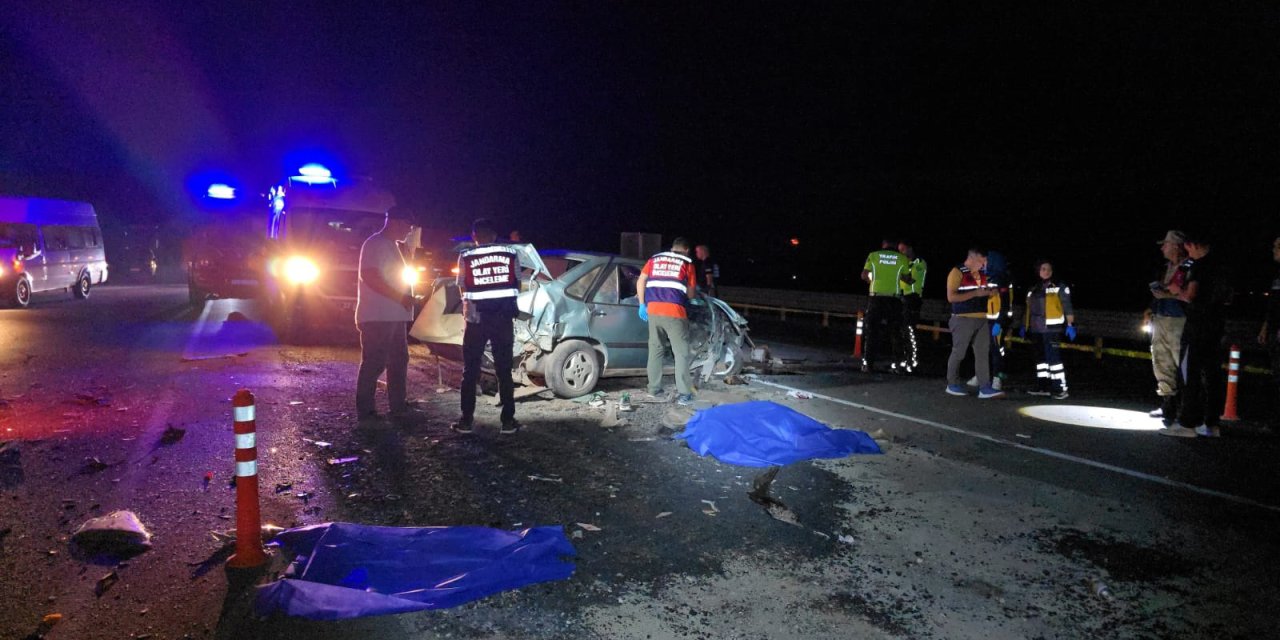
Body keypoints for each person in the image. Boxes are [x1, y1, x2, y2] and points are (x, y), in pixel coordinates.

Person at [453, 219, 522, 434]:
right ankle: (508, 422)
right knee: (504, 371)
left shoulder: (466, 256)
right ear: (493, 234)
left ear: (475, 235)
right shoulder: (511, 254)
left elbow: (462, 287)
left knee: (470, 370)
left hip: (476, 320)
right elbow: (517, 283)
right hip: (502, 319)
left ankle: (466, 421)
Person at [1161, 230, 1231, 438]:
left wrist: (1175, 291)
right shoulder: (1221, 266)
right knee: (1212, 375)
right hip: (1216, 326)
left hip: (1197, 326)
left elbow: (1191, 296)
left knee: (1188, 373)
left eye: (1188, 247)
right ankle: (1212, 424)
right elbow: (1228, 297)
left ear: (1194, 245)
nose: (1187, 252)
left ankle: (1187, 423)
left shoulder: (1199, 266)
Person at [355, 209, 419, 422]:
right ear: (394, 222)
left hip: (393, 315)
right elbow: (370, 276)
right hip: (378, 315)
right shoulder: (375, 244)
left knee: (398, 360)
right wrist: (400, 297)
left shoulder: (394, 246)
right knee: (375, 362)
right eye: (406, 227)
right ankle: (366, 411)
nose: (409, 232)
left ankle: (398, 404)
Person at [636, 237, 699, 405]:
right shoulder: (687, 263)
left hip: (653, 310)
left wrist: (642, 304)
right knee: (681, 353)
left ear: (672, 248)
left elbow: (641, 280)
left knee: (656, 350)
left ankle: (654, 389)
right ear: (686, 250)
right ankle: (685, 394)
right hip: (675, 312)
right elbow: (691, 295)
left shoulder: (654, 259)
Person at [945, 247, 1003, 398]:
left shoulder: (982, 274)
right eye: (982, 261)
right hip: (962, 318)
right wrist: (975, 293)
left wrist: (990, 293)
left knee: (983, 353)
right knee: (959, 352)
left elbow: (983, 292)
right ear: (973, 258)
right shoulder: (957, 272)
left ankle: (985, 388)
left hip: (982, 318)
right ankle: (952, 384)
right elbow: (951, 297)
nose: (984, 265)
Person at [1146, 230, 1191, 425]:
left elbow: (1190, 296)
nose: (1163, 248)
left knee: (1180, 363)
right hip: (1161, 317)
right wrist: (1150, 307)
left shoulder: (1190, 267)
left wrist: (1168, 295)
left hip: (1179, 319)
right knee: (1160, 360)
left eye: (1166, 244)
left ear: (1175, 246)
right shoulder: (1165, 267)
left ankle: (1184, 406)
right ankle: (1167, 403)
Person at [1021, 260, 1076, 399]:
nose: (1045, 271)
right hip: (1036, 329)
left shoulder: (1059, 286)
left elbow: (1067, 306)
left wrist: (1070, 325)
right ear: (1038, 271)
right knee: (1041, 360)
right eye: (1043, 269)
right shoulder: (1033, 288)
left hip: (1052, 329)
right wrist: (1024, 325)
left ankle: (1061, 388)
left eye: (1048, 269)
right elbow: (1027, 308)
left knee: (1054, 360)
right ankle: (1043, 386)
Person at [860, 239, 908, 373]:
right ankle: (899, 366)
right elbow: (907, 278)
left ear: (883, 245)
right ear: (896, 246)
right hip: (894, 299)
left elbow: (864, 275)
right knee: (896, 332)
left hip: (876, 298)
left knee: (872, 332)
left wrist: (873, 281)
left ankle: (869, 364)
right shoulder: (902, 258)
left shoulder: (874, 255)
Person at [1256, 235, 1280, 434]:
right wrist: (1265, 327)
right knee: (1275, 375)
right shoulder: (1276, 276)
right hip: (1274, 331)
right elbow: (1272, 306)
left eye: (1277, 246)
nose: (1274, 249)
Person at [897, 239, 927, 373]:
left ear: (910, 249)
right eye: (899, 250)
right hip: (901, 298)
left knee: (910, 330)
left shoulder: (919, 263)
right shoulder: (903, 263)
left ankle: (913, 361)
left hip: (912, 298)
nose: (901, 253)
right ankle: (904, 360)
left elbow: (911, 280)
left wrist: (896, 273)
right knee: (901, 331)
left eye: (903, 250)